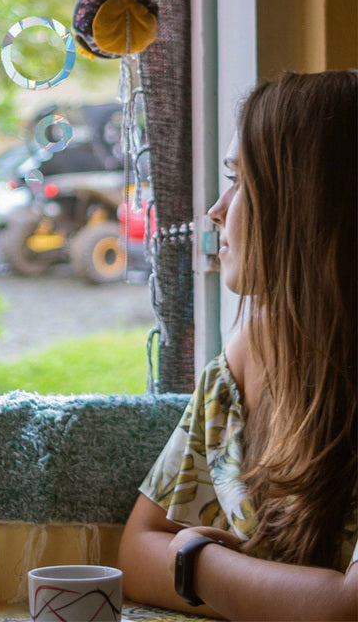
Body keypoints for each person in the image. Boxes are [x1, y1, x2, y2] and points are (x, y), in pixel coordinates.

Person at [117, 70, 358, 621]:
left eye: (240, 180)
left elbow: (347, 611)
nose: (217, 209)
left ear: (309, 200)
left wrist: (195, 564)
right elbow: (136, 549)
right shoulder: (242, 360)